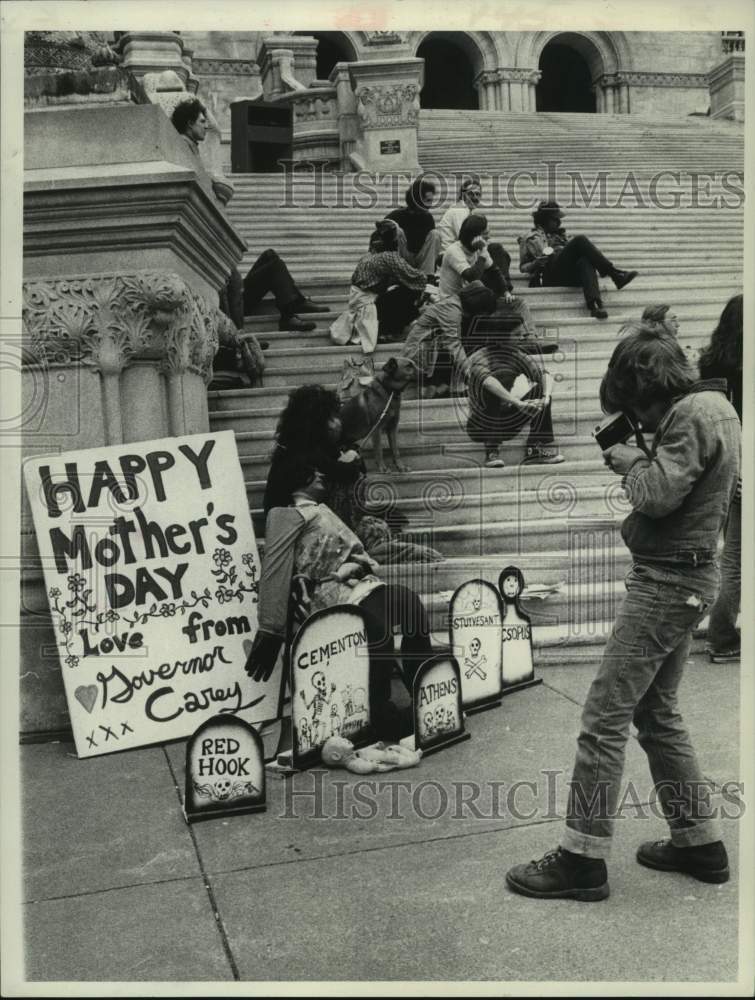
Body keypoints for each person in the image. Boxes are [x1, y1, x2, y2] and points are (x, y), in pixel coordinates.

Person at [505, 328, 740, 901]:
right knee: (657, 713)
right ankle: (698, 840)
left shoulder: (689, 414)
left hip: (664, 584)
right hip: (687, 578)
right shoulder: (720, 407)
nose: (637, 418)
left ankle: (581, 858)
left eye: (634, 407)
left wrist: (635, 461)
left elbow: (657, 495)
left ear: (644, 389)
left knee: (604, 717)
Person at [246, 467, 433, 741]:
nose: (321, 474)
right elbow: (274, 569)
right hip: (326, 598)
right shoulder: (284, 516)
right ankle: (380, 714)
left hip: (359, 585)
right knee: (377, 630)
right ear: (298, 478)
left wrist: (354, 566)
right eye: (312, 470)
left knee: (408, 602)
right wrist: (270, 627)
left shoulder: (323, 509)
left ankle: (425, 692)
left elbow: (356, 551)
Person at [170, 98, 328, 335]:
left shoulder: (191, 149)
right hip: (224, 302)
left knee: (270, 257)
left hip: (234, 296)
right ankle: (260, 328)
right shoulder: (183, 149)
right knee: (237, 278)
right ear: (189, 124)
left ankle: (292, 305)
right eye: (202, 122)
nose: (207, 126)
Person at [699, 293, 743, 663]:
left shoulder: (712, 363)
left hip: (723, 465)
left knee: (730, 556)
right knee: (736, 560)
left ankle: (721, 632)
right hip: (743, 467)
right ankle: (724, 636)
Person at [263, 385, 363, 528]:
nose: (336, 422)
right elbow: (346, 472)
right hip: (293, 523)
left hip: (301, 518)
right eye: (331, 416)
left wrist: (351, 451)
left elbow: (348, 444)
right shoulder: (300, 451)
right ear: (318, 420)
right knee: (348, 482)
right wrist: (350, 457)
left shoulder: (307, 442)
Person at [519, 201, 638, 319]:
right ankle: (614, 274)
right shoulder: (530, 237)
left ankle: (595, 306)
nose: (558, 222)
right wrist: (536, 263)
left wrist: (565, 243)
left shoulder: (562, 235)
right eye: (555, 219)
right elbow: (523, 267)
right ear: (545, 219)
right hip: (548, 274)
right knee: (580, 239)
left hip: (567, 274)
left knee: (584, 261)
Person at [330, 220, 427, 353]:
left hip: (361, 303)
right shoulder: (388, 257)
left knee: (399, 288)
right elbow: (416, 277)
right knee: (407, 291)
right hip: (369, 305)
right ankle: (391, 330)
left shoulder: (370, 255)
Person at [439, 214, 539, 340]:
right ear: (475, 236)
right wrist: (482, 252)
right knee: (482, 292)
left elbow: (494, 272)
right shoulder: (454, 251)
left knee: (518, 303)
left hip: (475, 300)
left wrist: (506, 292)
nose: (489, 236)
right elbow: (471, 277)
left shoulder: (478, 250)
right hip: (455, 303)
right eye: (485, 233)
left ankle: (531, 338)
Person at [385, 176, 443, 278]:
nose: (430, 205)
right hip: (400, 261)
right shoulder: (396, 215)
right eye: (428, 200)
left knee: (435, 234)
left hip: (420, 261)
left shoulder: (428, 217)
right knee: (396, 230)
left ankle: (427, 277)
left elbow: (430, 249)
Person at [437, 177, 484, 251]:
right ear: (463, 196)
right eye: (470, 194)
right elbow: (464, 238)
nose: (475, 197)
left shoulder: (467, 210)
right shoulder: (459, 210)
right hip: (448, 254)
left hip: (456, 251)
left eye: (478, 194)